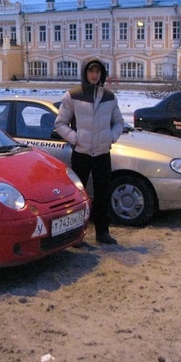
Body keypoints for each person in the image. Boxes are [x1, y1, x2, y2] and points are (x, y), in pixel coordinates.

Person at [54, 59, 124, 244]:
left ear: (102, 74)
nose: (94, 75)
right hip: (81, 154)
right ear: (85, 72)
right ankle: (76, 235)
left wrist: (111, 136)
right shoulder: (73, 95)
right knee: (79, 196)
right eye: (91, 71)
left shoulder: (109, 96)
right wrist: (76, 139)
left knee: (102, 194)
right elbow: (60, 124)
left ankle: (102, 233)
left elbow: (119, 122)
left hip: (102, 154)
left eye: (98, 71)